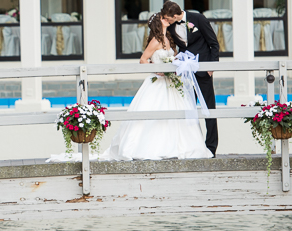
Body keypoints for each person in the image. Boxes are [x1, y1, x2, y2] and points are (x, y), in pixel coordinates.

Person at [48, 13, 212, 163]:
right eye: (163, 19)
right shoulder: (155, 40)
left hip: (171, 84)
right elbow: (143, 60)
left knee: (177, 113)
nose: (167, 20)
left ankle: (180, 147)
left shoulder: (168, 39)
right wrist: (158, 70)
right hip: (158, 82)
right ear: (158, 23)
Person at [160, 0, 220, 156]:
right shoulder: (171, 26)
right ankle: (192, 146)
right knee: (187, 110)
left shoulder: (198, 19)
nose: (167, 21)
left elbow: (213, 43)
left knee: (209, 110)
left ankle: (211, 148)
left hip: (203, 71)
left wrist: (211, 67)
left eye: (168, 18)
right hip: (185, 73)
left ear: (175, 15)